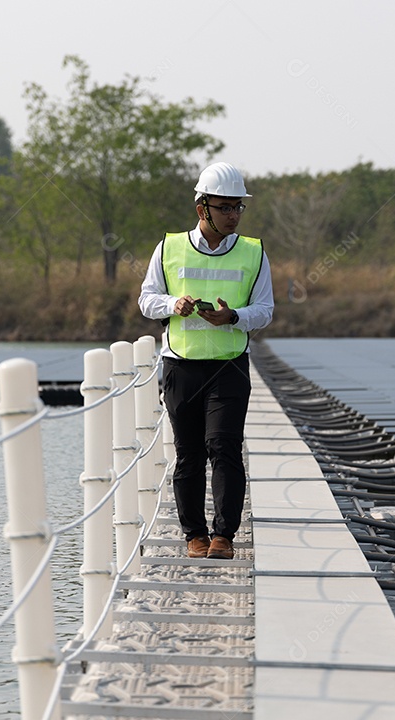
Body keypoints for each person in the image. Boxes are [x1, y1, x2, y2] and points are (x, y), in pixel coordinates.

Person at [138, 162, 274, 560]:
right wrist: (172, 304)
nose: (233, 214)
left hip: (229, 365)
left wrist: (234, 316)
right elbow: (147, 300)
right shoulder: (168, 248)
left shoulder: (254, 252)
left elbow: (265, 310)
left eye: (238, 207)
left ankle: (224, 536)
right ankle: (193, 534)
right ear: (203, 209)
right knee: (190, 452)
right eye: (225, 207)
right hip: (181, 364)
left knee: (224, 447)